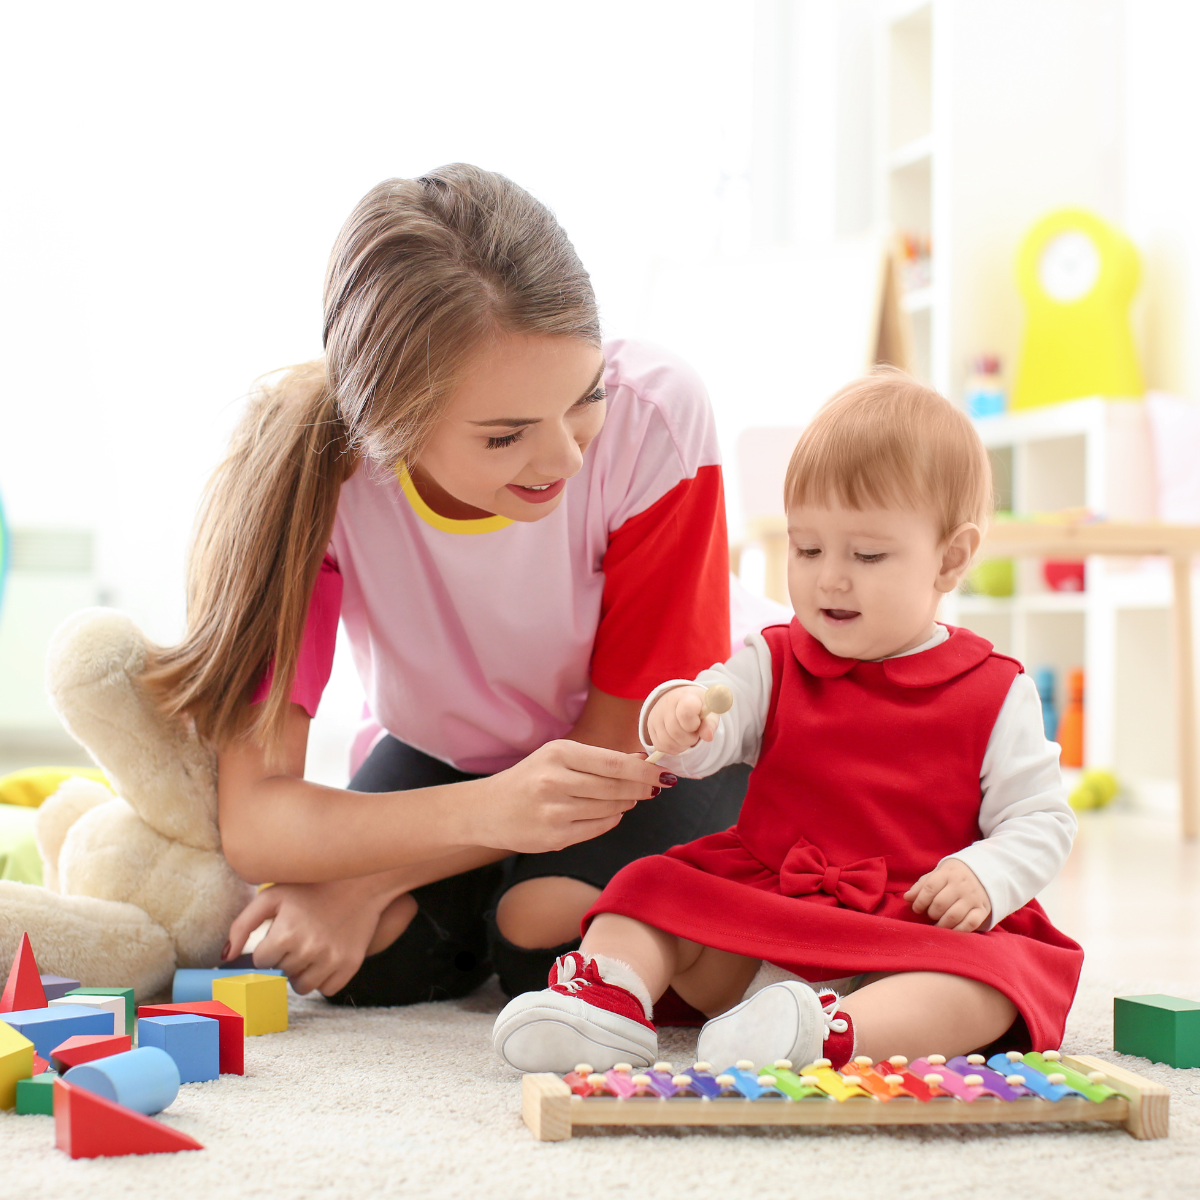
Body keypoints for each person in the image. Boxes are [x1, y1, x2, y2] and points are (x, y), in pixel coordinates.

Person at [145, 165, 762, 1007]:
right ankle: (495, 883)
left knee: (549, 955)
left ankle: (505, 894)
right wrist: (489, 815)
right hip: (458, 758)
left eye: (584, 399)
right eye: (506, 436)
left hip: (656, 752)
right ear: (390, 431)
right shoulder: (314, 481)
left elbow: (622, 751)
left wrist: (364, 880)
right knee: (361, 968)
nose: (564, 459)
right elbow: (257, 823)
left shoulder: (657, 413)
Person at [492, 372, 1083, 1073]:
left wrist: (985, 876)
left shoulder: (994, 688)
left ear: (950, 558)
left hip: (905, 931)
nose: (830, 578)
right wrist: (678, 718)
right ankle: (604, 1005)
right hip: (764, 914)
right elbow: (714, 708)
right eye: (807, 549)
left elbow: (1043, 819)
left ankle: (828, 1035)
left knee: (993, 985)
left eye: (865, 555)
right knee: (644, 889)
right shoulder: (775, 657)